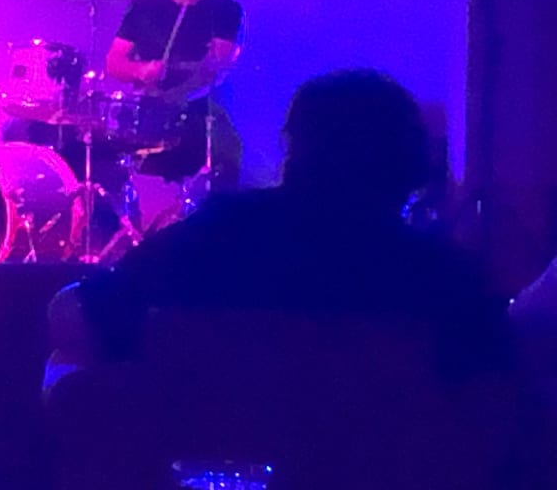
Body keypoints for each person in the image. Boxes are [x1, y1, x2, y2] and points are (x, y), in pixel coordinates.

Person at [56, 70, 513, 385]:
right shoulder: (443, 276)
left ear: (295, 149)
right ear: (411, 163)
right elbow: (493, 391)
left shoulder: (220, 235)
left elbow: (81, 313)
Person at [104, 0, 243, 187]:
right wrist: (140, 70)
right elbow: (113, 62)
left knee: (221, 160)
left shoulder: (226, 10)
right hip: (144, 111)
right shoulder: (145, 3)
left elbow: (216, 69)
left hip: (198, 113)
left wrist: (177, 95)